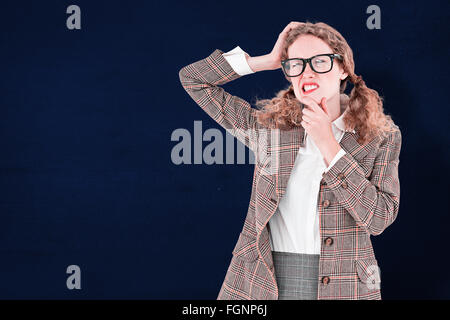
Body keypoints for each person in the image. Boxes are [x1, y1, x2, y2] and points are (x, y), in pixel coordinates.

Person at [178, 21, 402, 300]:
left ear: (343, 68)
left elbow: (379, 218)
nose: (307, 71)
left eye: (320, 61)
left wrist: (329, 145)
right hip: (264, 281)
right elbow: (194, 80)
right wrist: (266, 60)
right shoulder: (270, 130)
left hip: (345, 284)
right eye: (295, 64)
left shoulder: (381, 137)